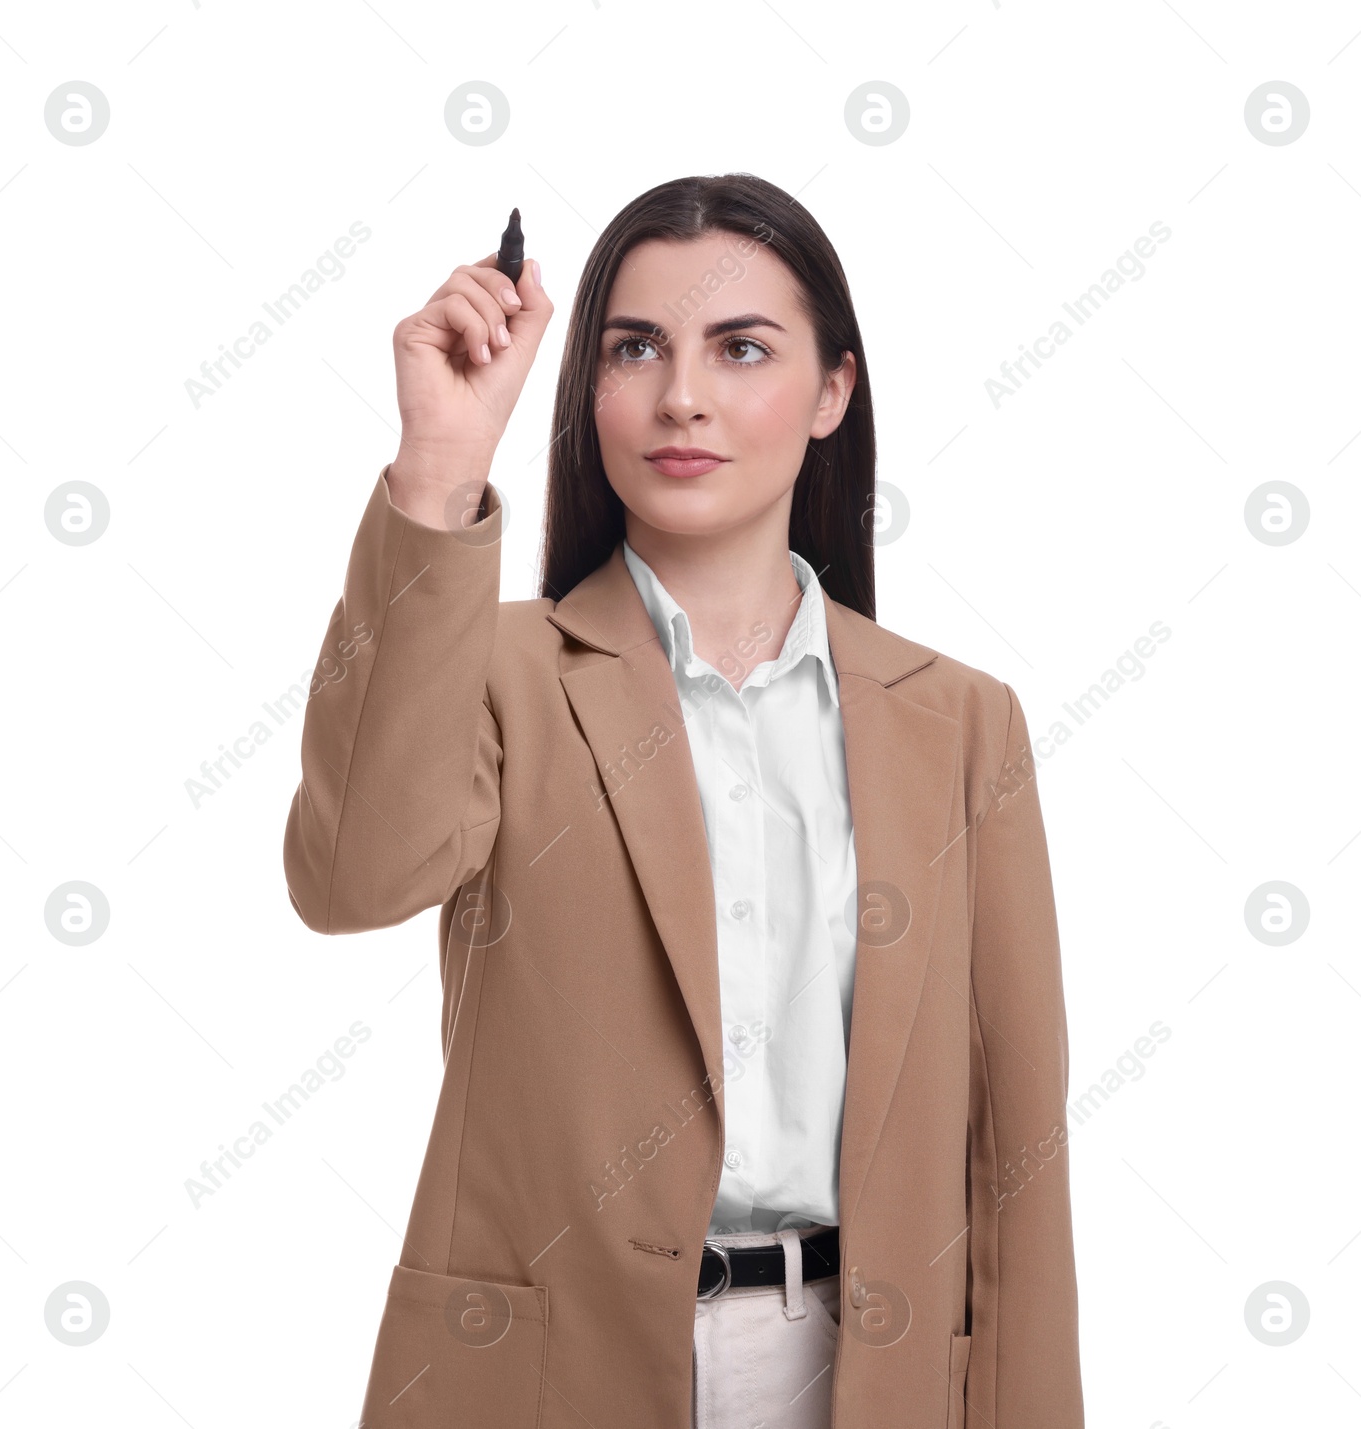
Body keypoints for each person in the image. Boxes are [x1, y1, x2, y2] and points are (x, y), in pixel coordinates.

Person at [283, 173, 1083, 1429]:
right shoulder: (491, 672)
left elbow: (1015, 1155)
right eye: (634, 347)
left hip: (867, 1376)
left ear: (832, 393)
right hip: (548, 1377)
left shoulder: (960, 722)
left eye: (741, 348)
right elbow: (348, 880)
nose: (681, 397)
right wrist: (440, 464)